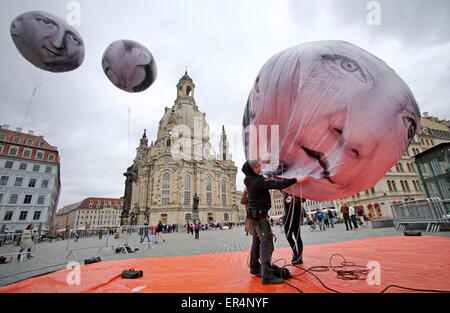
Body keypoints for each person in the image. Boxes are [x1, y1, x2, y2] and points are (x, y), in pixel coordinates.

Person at [242, 160, 298, 285]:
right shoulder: (257, 181)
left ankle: (254, 267)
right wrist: (295, 180)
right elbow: (277, 185)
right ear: (252, 169)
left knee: (256, 242)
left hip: (254, 216)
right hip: (259, 217)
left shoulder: (250, 180)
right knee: (266, 244)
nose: (259, 167)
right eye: (257, 166)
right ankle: (267, 275)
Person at [283, 192, 306, 265]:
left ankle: (299, 257)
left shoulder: (296, 190)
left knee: (297, 236)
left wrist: (296, 197)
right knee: (288, 236)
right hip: (287, 217)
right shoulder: (285, 193)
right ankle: (295, 254)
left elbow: (304, 199)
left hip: (296, 216)